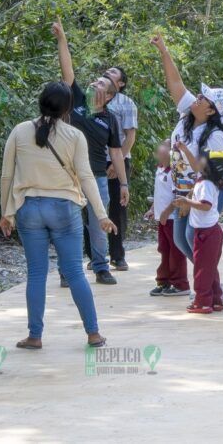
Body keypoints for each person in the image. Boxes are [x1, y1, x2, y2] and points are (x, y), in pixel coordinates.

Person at [0, 82, 117, 349]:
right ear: (68, 109)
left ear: (40, 102)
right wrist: (102, 214)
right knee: (74, 272)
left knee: (36, 274)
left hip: (29, 209)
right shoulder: (74, 136)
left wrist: (7, 213)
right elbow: (86, 176)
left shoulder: (20, 131)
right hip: (64, 208)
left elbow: (7, 175)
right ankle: (93, 333)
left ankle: (35, 336)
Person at [52, 21, 128, 285]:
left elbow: (116, 154)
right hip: (68, 176)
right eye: (96, 80)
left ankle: (101, 267)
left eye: (100, 83)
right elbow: (67, 70)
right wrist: (62, 38)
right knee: (68, 225)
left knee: (99, 223)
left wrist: (123, 182)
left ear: (108, 95)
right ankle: (66, 270)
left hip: (96, 177)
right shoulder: (77, 103)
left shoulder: (110, 119)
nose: (94, 83)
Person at [150, 33, 223, 263]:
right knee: (181, 239)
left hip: (207, 188)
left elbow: (208, 172)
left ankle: (210, 284)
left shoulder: (216, 136)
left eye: (203, 98)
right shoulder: (188, 114)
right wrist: (164, 52)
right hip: (183, 187)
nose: (196, 98)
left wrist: (189, 196)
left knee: (192, 235)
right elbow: (175, 83)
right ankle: (208, 280)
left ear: (210, 111)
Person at [174, 149, 223, 314]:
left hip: (206, 234)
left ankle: (203, 302)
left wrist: (187, 201)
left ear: (210, 167)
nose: (197, 160)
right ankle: (216, 300)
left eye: (202, 159)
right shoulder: (204, 181)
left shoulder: (206, 184)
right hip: (209, 232)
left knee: (202, 271)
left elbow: (205, 205)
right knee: (209, 269)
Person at [104, 66, 137, 271]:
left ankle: (117, 254)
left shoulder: (126, 103)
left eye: (114, 71)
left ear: (121, 83)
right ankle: (94, 255)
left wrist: (118, 163)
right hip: (95, 159)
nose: (108, 71)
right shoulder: (93, 98)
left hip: (118, 159)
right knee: (94, 205)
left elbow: (130, 136)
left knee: (117, 208)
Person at [147, 140, 189, 297]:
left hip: (172, 217)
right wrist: (153, 209)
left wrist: (166, 212)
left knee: (175, 251)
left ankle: (180, 283)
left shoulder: (175, 171)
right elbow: (159, 193)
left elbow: (178, 195)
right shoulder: (159, 169)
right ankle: (164, 281)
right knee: (164, 250)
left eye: (167, 145)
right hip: (162, 218)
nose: (161, 147)